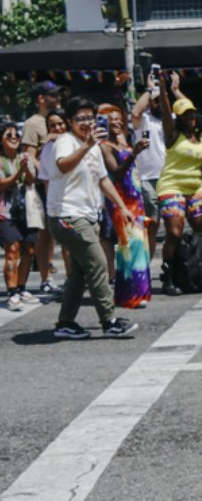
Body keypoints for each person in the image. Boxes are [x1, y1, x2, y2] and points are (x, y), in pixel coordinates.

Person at [46, 97, 138, 340]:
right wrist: (86, 145)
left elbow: (103, 179)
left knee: (80, 271)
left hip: (86, 215)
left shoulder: (95, 145)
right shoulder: (65, 141)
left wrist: (121, 207)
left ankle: (65, 322)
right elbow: (63, 166)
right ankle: (109, 321)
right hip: (66, 215)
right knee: (98, 264)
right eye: (80, 119)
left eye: (90, 118)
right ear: (69, 121)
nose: (86, 123)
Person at [156, 72, 202, 296]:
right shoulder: (172, 134)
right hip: (172, 186)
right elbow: (165, 108)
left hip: (196, 187)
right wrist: (163, 88)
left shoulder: (199, 135)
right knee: (175, 233)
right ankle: (168, 276)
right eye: (185, 114)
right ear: (178, 118)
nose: (190, 117)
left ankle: (199, 271)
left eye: (192, 113)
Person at [98, 104, 152, 309]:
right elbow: (117, 173)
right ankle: (132, 295)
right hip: (120, 200)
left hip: (135, 197)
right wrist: (134, 153)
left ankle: (134, 292)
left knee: (139, 244)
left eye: (120, 118)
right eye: (113, 120)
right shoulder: (104, 146)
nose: (118, 122)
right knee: (130, 244)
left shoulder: (122, 141)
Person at [20, 81, 63, 295]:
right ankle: (46, 277)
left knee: (58, 231)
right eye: (52, 95)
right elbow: (28, 155)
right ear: (41, 99)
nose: (57, 98)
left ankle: (68, 275)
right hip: (42, 184)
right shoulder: (33, 123)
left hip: (63, 182)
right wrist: (47, 171)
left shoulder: (61, 120)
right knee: (45, 233)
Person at [0, 121, 38, 311]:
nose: (14, 138)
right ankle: (12, 292)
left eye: (16, 135)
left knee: (29, 249)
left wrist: (26, 169)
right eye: (9, 135)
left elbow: (32, 180)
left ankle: (22, 288)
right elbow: (2, 184)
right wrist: (19, 172)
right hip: (5, 211)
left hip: (27, 210)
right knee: (12, 250)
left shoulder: (24, 156)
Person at [131, 78, 167, 263]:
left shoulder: (172, 119)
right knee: (152, 224)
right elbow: (136, 112)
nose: (159, 104)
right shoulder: (144, 120)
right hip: (148, 177)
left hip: (169, 178)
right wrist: (149, 89)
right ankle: (146, 263)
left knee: (174, 224)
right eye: (156, 100)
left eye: (163, 100)